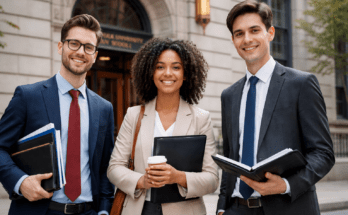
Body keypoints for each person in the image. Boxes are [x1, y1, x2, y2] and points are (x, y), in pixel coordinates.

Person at [216, 1, 335, 215]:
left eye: (254, 30)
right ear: (233, 40)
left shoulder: (301, 84)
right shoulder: (229, 96)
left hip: (288, 207)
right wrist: (222, 207)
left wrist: (286, 184)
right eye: (239, 33)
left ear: (270, 33)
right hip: (237, 209)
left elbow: (323, 153)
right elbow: (231, 159)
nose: (247, 39)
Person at [0, 14, 115, 215]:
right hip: (38, 210)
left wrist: (105, 210)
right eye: (74, 43)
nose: (81, 52)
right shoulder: (28, 96)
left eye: (88, 47)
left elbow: (105, 166)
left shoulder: (104, 108)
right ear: (60, 47)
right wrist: (21, 182)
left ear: (95, 55)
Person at [107, 38, 219, 215]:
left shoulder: (201, 119)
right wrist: (142, 181)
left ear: (186, 73)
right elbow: (114, 168)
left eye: (176, 67)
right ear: (150, 73)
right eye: (160, 67)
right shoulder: (134, 115)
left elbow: (212, 179)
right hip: (141, 209)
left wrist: (178, 177)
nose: (168, 73)